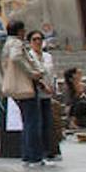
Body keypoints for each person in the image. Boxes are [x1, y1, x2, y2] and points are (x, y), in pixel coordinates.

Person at [2, 20, 46, 167]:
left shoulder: (6, 44)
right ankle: (35, 156)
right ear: (19, 30)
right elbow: (16, 58)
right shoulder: (16, 43)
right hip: (25, 85)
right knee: (32, 122)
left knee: (27, 122)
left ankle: (28, 155)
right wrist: (32, 72)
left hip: (16, 88)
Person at [29, 30, 62, 161]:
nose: (38, 42)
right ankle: (40, 150)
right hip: (37, 91)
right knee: (39, 122)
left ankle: (50, 149)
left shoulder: (48, 56)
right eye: (34, 39)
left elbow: (52, 73)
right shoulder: (30, 57)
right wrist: (43, 86)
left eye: (40, 39)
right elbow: (33, 75)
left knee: (49, 122)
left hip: (48, 92)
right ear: (30, 42)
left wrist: (54, 88)